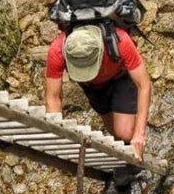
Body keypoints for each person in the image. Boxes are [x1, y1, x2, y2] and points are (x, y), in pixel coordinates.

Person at [45, 25, 151, 161]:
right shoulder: (57, 50)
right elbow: (53, 97)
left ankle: (133, 157)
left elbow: (144, 84)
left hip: (120, 77)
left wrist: (139, 134)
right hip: (92, 87)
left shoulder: (120, 40)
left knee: (125, 132)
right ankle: (124, 156)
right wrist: (56, 137)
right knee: (114, 130)